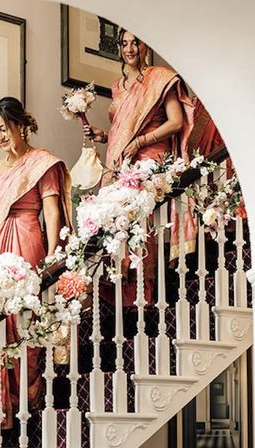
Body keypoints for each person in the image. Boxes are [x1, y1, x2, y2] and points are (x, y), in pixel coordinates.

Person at [0, 97, 72, 428]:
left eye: (3, 129)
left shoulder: (41, 162)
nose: (0, 137)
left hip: (27, 239)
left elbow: (51, 211)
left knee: (18, 321)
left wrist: (53, 256)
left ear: (20, 125)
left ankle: (22, 400)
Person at [83, 29, 194, 304]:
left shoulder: (160, 78)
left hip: (150, 158)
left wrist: (141, 141)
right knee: (118, 222)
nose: (130, 49)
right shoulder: (118, 86)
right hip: (124, 160)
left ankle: (142, 294)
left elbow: (176, 121)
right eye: (125, 44)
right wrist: (105, 136)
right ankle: (124, 295)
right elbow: (125, 130)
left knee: (139, 223)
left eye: (136, 42)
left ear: (146, 44)